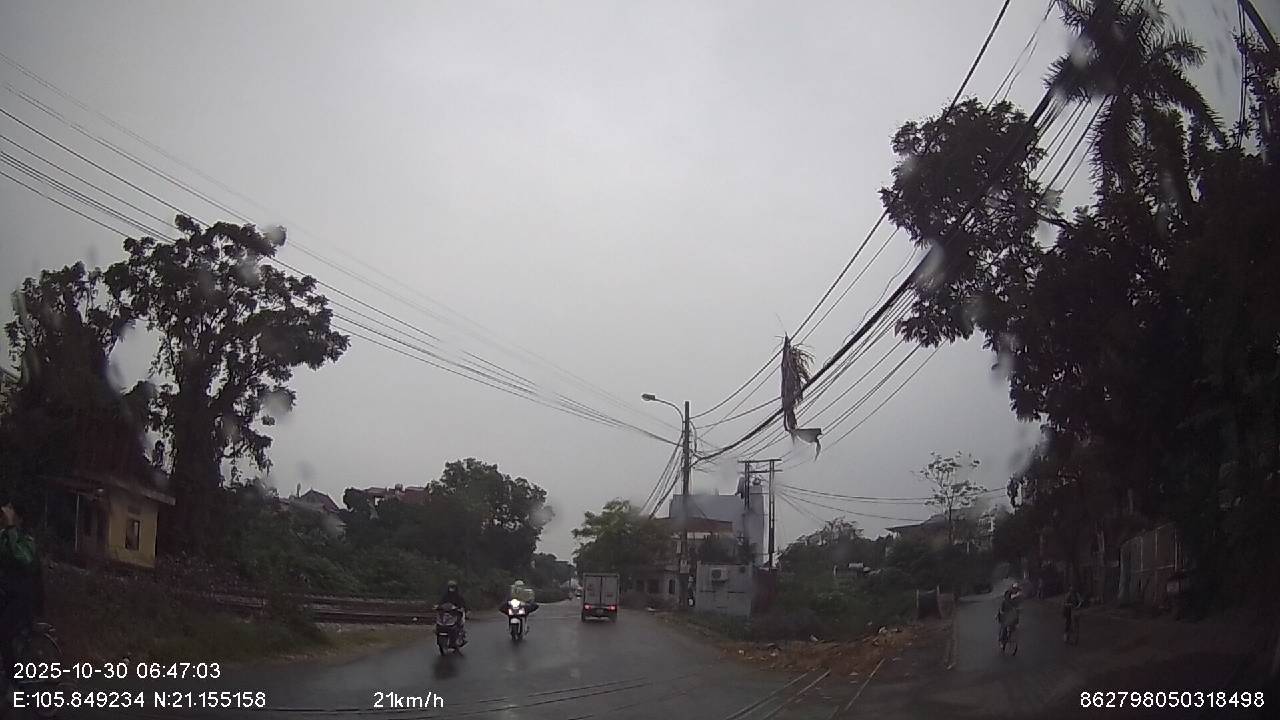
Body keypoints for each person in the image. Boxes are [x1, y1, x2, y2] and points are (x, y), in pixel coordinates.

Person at [0, 494, 42, 677]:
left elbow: (23, 558)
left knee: (4, 633)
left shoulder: (27, 541)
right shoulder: (3, 536)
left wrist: (11, 528)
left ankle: (13, 681)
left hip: (23, 599)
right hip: (6, 593)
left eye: (11, 512)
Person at [437, 580, 468, 646]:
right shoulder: (445, 596)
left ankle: (460, 636)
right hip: (447, 614)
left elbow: (463, 604)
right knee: (440, 622)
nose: (451, 588)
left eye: (453, 587)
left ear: (456, 587)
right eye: (450, 587)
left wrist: (462, 608)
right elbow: (441, 602)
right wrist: (439, 607)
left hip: (456, 613)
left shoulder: (458, 596)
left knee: (458, 622)